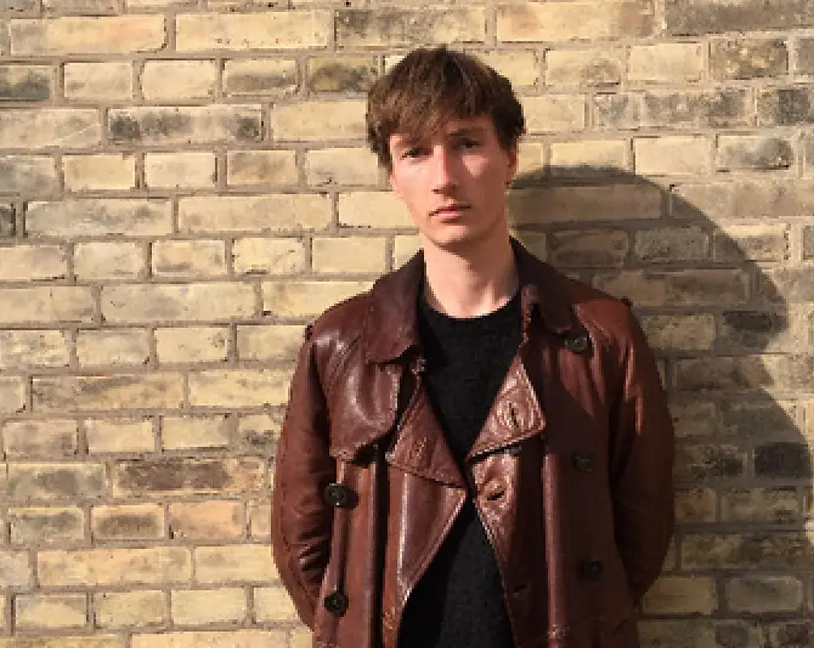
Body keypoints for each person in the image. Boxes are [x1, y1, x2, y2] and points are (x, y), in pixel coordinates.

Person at [271, 46, 675, 648]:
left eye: (466, 143)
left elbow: (641, 527)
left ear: (509, 157)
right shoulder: (342, 343)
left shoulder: (597, 338)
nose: (444, 177)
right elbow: (302, 539)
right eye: (415, 152)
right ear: (393, 176)